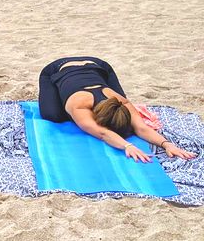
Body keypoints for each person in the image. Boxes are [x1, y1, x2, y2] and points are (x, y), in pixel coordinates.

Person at [38, 57, 196, 163]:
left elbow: (141, 128)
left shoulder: (122, 102)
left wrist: (167, 144)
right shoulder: (79, 105)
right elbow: (103, 133)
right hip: (57, 68)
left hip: (98, 65)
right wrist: (127, 146)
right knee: (53, 115)